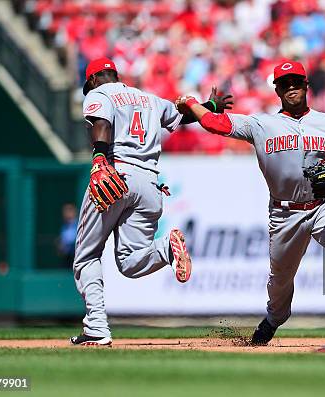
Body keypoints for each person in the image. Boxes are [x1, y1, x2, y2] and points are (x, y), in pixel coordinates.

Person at [176, 60, 325, 345]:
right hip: (285, 213)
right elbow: (215, 123)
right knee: (280, 281)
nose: (291, 87)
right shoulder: (261, 123)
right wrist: (193, 102)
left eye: (296, 82)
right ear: (278, 90)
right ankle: (273, 320)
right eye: (285, 84)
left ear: (306, 85)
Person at [71, 57, 232, 346]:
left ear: (94, 79)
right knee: (131, 263)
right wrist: (211, 108)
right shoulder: (148, 98)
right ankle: (165, 250)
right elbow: (182, 117)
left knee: (86, 255)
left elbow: (102, 123)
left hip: (114, 173)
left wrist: (98, 159)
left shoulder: (99, 93)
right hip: (149, 183)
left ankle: (96, 326)